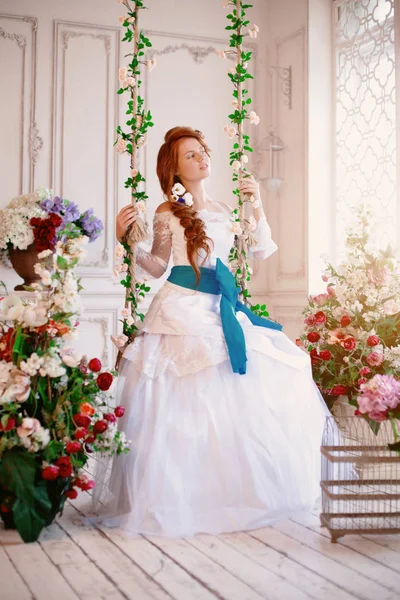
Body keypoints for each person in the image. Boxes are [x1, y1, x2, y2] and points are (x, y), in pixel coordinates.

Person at [95, 126, 329, 537]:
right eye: (190, 155)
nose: (202, 158)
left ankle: (238, 489)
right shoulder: (167, 212)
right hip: (182, 306)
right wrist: (127, 240)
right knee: (188, 393)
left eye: (203, 151)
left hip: (221, 303)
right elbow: (157, 266)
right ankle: (185, 493)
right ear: (174, 169)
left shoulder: (225, 206)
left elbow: (257, 250)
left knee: (264, 370)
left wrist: (256, 203)